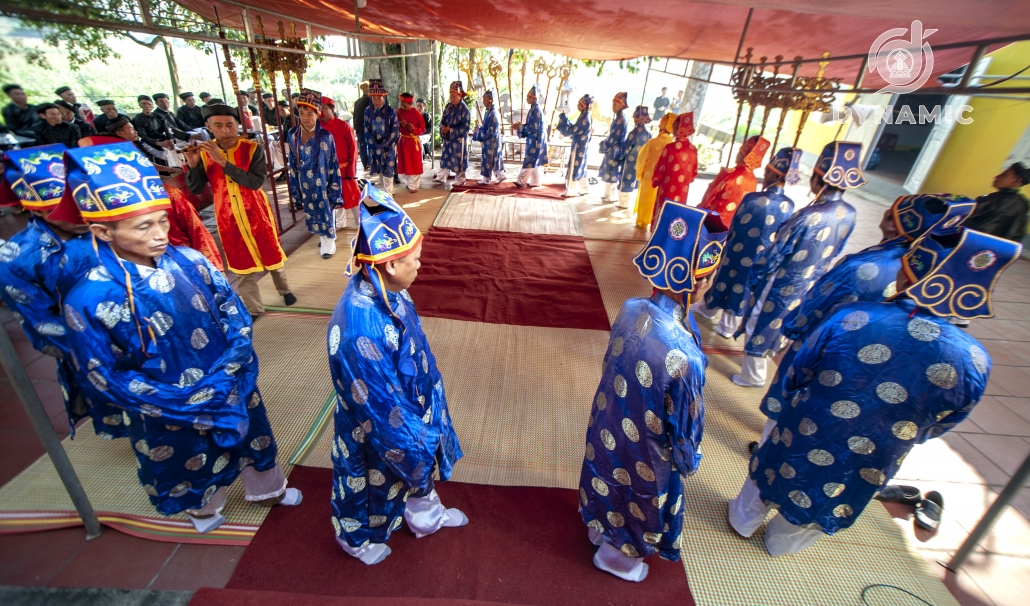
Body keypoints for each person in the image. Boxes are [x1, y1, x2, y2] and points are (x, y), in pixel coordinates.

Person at [729, 224, 1021, 556]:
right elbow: (943, 422)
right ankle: (779, 544)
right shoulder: (975, 361)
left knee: (772, 471)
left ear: (915, 281)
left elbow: (798, 371)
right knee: (828, 495)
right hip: (879, 449)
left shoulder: (854, 318)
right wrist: (903, 432)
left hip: (809, 424)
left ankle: (743, 522)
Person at [60, 142, 302, 533]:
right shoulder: (88, 297)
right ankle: (204, 511)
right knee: (188, 458)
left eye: (162, 220)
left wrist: (230, 371)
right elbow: (101, 374)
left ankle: (268, 490)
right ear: (103, 231)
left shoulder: (189, 259)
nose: (160, 234)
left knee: (251, 435)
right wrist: (180, 401)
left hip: (228, 381)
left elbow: (233, 312)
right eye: (144, 226)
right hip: (168, 405)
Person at [748, 194, 978, 446]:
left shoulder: (861, 267)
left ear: (894, 223)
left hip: (828, 354)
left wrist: (792, 330)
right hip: (876, 397)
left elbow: (814, 306)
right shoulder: (967, 347)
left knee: (792, 404)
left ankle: (766, 447)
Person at [580, 202, 727, 582]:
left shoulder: (630, 307)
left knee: (606, 469)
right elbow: (686, 425)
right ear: (697, 281)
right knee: (639, 492)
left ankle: (598, 527)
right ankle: (618, 558)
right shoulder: (684, 354)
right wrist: (688, 459)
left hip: (609, 419)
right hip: (650, 446)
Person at [328, 184, 466, 565]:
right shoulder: (361, 326)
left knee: (420, 469)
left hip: (410, 405)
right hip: (381, 422)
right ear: (390, 263)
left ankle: (427, 517)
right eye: (415, 259)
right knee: (371, 479)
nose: (420, 265)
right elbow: (382, 410)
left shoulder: (391, 288)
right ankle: (356, 541)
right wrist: (417, 439)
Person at [0, 143, 133, 440]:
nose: (78, 217)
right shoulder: (18, 258)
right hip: (93, 346)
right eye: (59, 210)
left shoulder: (106, 225)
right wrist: (105, 350)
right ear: (36, 209)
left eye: (77, 205)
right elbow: (43, 326)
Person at [731, 141, 862, 388]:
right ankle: (758, 368)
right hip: (811, 279)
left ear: (817, 180)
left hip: (781, 279)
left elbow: (777, 251)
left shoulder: (809, 215)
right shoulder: (849, 213)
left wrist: (758, 273)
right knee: (780, 322)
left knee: (760, 321)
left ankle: (753, 375)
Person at [185, 104, 296, 317]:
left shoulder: (253, 149)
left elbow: (254, 182)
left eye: (230, 125)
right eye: (218, 126)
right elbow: (196, 189)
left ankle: (285, 290)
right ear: (209, 128)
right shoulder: (204, 153)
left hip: (256, 212)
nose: (225, 130)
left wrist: (222, 161)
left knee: (271, 252)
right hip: (228, 217)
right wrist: (192, 165)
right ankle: (254, 307)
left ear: (237, 125)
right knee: (240, 261)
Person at [698, 147, 802, 337]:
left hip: (738, 248)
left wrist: (728, 241)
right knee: (743, 286)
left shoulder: (753, 198)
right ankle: (723, 322)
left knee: (728, 278)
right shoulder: (790, 204)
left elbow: (737, 221)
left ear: (772, 173)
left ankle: (715, 315)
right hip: (762, 255)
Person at [287, 89, 343, 259]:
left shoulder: (326, 136)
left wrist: (335, 187)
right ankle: (323, 236)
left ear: (318, 114)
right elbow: (292, 162)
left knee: (326, 210)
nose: (305, 117)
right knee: (312, 212)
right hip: (305, 182)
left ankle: (328, 243)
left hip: (324, 182)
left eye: (310, 113)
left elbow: (333, 162)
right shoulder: (292, 135)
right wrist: (294, 187)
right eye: (302, 113)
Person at [699, 135, 771, 229]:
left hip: (711, 222)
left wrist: (699, 212)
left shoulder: (728, 173)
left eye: (739, 151)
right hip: (732, 227)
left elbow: (708, 198)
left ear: (743, 154)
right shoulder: (754, 180)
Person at [319, 96, 362, 226]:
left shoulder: (343, 126)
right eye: (319, 109)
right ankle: (339, 224)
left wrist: (351, 170)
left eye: (324, 108)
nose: (321, 111)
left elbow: (353, 149)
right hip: (326, 171)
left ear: (332, 109)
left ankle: (360, 223)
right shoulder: (316, 127)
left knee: (353, 197)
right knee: (333, 198)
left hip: (344, 169)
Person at [963, 162, 1029, 242]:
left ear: (1014, 181)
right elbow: (1017, 235)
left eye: (1004, 174)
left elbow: (966, 214)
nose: (997, 176)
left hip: (973, 242)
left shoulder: (996, 199)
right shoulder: (1023, 204)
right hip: (997, 251)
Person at [650, 112, 697, 220]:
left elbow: (659, 171)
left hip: (666, 189)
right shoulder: (693, 150)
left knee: (663, 212)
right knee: (676, 214)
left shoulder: (669, 148)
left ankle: (658, 234)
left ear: (676, 128)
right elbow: (693, 174)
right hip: (682, 191)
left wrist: (655, 181)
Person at [633, 112, 675, 230]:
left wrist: (640, 172)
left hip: (649, 176)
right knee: (656, 200)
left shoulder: (653, 142)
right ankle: (655, 222)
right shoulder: (671, 145)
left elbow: (642, 158)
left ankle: (642, 222)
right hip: (663, 178)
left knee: (645, 198)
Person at [362, 79, 400, 195]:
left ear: (384, 97)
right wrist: (375, 146)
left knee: (388, 169)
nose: (377, 101)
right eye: (374, 98)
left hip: (388, 146)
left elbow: (395, 129)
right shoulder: (367, 111)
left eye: (379, 98)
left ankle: (389, 193)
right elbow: (366, 129)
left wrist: (384, 145)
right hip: (374, 147)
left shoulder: (391, 111)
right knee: (380, 170)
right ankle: (385, 192)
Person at [435, 81, 471, 187]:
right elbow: (443, 120)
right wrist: (442, 128)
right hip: (448, 138)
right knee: (445, 156)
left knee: (459, 159)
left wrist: (451, 130)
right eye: (451, 96)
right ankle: (441, 176)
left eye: (454, 96)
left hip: (459, 139)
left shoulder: (464, 110)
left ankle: (461, 179)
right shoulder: (448, 107)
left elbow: (466, 127)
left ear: (460, 96)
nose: (452, 99)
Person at [511, 84, 548, 188]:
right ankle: (535, 182)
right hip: (534, 139)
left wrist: (521, 127)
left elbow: (533, 128)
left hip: (536, 140)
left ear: (533, 98)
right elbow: (531, 126)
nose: (527, 98)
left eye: (528, 96)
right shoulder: (534, 109)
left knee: (530, 160)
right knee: (533, 160)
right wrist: (520, 126)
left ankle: (521, 181)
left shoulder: (536, 110)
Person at [615, 106, 651, 210]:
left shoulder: (634, 133)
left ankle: (623, 203)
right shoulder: (648, 134)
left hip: (630, 161)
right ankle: (630, 203)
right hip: (641, 161)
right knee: (635, 181)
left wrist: (620, 157)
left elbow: (627, 147)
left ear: (637, 118)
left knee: (626, 180)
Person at [556, 94, 593, 197]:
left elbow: (572, 130)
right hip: (582, 145)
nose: (578, 105)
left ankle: (571, 190)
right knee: (581, 166)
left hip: (578, 146)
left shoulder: (584, 118)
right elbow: (576, 128)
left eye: (580, 104)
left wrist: (563, 120)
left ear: (584, 106)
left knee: (574, 166)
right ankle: (584, 188)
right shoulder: (585, 116)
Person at [598, 92, 629, 203]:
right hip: (612, 149)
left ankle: (612, 195)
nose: (613, 106)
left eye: (616, 104)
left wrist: (604, 144)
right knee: (608, 170)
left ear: (622, 105)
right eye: (613, 103)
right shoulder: (618, 118)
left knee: (612, 171)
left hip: (615, 150)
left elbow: (615, 137)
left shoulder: (621, 119)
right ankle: (607, 193)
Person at [471, 89, 503, 185]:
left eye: (484, 99)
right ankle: (488, 178)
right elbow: (486, 127)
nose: (483, 101)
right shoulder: (488, 112)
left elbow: (492, 131)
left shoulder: (493, 114)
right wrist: (479, 130)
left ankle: (499, 175)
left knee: (492, 159)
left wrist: (479, 134)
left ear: (489, 101)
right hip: (488, 141)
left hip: (492, 141)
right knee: (488, 159)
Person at [396, 92, 427, 192]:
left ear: (410, 104)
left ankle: (413, 186)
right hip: (403, 141)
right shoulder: (398, 112)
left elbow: (423, 129)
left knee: (414, 164)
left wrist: (414, 129)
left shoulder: (416, 113)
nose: (402, 107)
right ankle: (408, 183)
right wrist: (400, 124)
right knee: (404, 163)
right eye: (401, 104)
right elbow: (393, 126)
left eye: (405, 105)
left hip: (413, 142)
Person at [353, 82, 371, 177]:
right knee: (369, 145)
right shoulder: (369, 101)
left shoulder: (357, 101)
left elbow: (354, 115)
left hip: (358, 126)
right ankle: (370, 163)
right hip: (366, 126)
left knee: (362, 146)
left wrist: (355, 126)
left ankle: (365, 164)